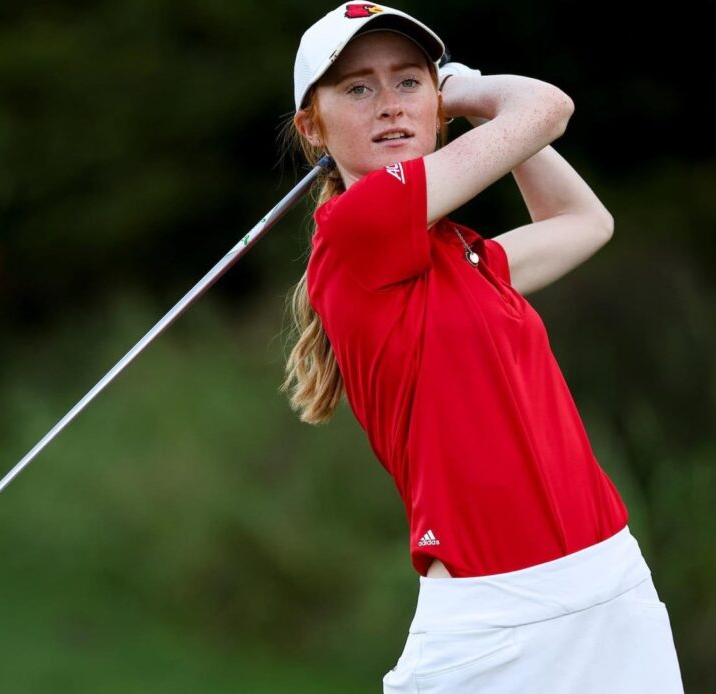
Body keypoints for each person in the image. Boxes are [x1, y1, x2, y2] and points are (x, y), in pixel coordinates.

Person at [280, 3, 684, 692]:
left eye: (408, 82)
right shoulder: (356, 228)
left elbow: (584, 222)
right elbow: (546, 108)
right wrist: (465, 91)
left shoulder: (465, 257)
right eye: (358, 88)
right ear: (311, 126)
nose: (389, 107)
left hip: (612, 584)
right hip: (494, 626)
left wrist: (460, 109)